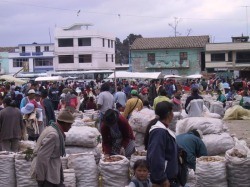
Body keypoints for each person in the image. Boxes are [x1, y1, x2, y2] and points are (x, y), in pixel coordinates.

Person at [31, 109, 75, 187]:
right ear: (64, 123)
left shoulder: (52, 129)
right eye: (69, 125)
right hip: (48, 175)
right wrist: (41, 179)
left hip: (53, 171)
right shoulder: (53, 135)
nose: (70, 127)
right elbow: (42, 157)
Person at [144, 101, 179, 187]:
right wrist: (161, 179)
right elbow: (156, 156)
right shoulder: (159, 132)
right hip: (163, 180)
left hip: (169, 178)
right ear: (169, 114)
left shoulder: (163, 130)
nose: (173, 114)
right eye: (172, 112)